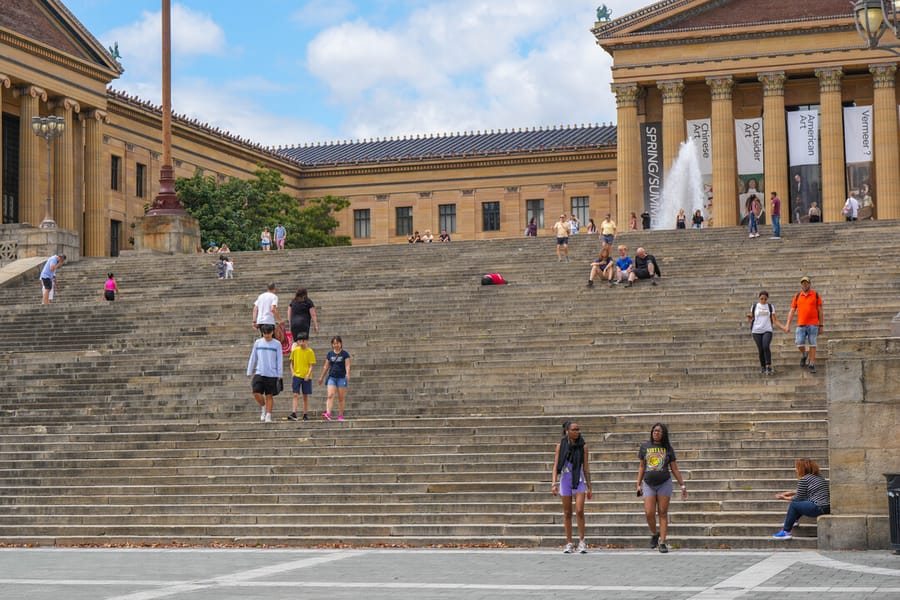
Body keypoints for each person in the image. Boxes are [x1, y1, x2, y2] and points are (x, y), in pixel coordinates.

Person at [636, 423, 687, 554]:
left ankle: (663, 542)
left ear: (663, 434)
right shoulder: (645, 447)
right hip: (648, 483)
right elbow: (642, 466)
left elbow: (674, 468)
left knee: (663, 513)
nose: (656, 433)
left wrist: (682, 485)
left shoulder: (668, 448)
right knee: (649, 512)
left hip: (664, 482)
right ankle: (655, 533)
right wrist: (638, 483)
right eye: (654, 430)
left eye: (659, 431)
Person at [551, 421, 592, 554]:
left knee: (579, 510)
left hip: (578, 479)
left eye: (578, 429)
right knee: (567, 512)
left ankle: (582, 541)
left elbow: (586, 468)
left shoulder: (583, 446)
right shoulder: (560, 446)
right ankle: (569, 542)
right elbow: (556, 466)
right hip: (565, 479)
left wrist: (589, 486)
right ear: (567, 431)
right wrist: (554, 483)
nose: (577, 432)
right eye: (574, 429)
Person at [773, 458, 830, 539]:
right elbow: (805, 491)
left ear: (802, 468)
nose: (796, 470)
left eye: (797, 468)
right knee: (801, 502)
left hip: (819, 508)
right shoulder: (819, 477)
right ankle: (793, 521)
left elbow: (798, 498)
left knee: (794, 504)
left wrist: (783, 497)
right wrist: (789, 493)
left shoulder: (804, 479)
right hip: (826, 507)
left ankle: (786, 531)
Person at [782, 276, 824, 374]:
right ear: (801, 284)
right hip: (801, 324)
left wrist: (821, 325)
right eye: (803, 283)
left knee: (812, 344)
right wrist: (787, 324)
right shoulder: (797, 296)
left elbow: (820, 312)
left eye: (806, 283)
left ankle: (811, 363)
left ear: (809, 284)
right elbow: (792, 311)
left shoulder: (815, 295)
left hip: (813, 324)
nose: (805, 284)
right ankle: (805, 354)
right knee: (799, 343)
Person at [246, 323, 283, 423]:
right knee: (256, 392)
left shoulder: (277, 344)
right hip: (259, 372)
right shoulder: (258, 342)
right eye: (265, 333)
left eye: (269, 333)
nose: (267, 335)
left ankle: (268, 415)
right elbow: (253, 357)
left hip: (272, 373)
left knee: (269, 395)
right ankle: (263, 406)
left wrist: (280, 374)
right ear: (262, 333)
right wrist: (249, 370)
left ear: (272, 332)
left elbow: (279, 359)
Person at [747, 291, 786, 375]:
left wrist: (783, 327)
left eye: (765, 299)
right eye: (761, 298)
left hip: (767, 330)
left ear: (767, 298)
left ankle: (768, 365)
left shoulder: (770, 307)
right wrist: (749, 318)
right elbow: (751, 318)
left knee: (765, 346)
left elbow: (774, 320)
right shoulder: (754, 306)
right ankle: (763, 366)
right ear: (759, 298)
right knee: (760, 349)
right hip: (756, 330)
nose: (763, 300)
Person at [318, 336, 350, 421]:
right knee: (330, 395)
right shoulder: (330, 354)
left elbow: (347, 365)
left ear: (341, 343)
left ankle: (340, 415)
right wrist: (321, 377)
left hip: (341, 378)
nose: (336, 345)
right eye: (334, 343)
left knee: (341, 397)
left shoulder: (345, 354)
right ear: (332, 344)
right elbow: (326, 366)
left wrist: (347, 373)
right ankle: (328, 413)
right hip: (332, 377)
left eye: (337, 343)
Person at [288, 335, 316, 422]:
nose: (301, 343)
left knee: (305, 396)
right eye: (299, 341)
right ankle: (294, 413)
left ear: (306, 341)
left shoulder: (310, 351)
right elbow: (291, 363)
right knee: (295, 394)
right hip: (297, 375)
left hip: (306, 376)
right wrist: (292, 372)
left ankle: (305, 414)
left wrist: (308, 374)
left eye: (303, 341)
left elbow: (311, 365)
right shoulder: (295, 350)